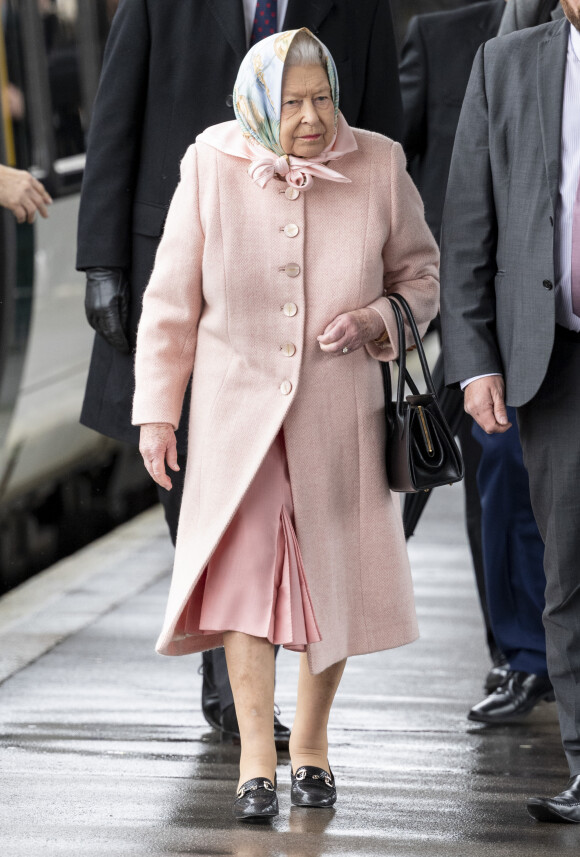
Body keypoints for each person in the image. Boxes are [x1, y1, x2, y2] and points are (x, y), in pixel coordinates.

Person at [76, 0, 404, 747]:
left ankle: (253, 677)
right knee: (190, 472)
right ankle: (230, 667)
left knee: (303, 495)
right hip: (191, 262)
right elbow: (115, 112)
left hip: (316, 276)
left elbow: (385, 124)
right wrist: (99, 259)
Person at [132, 28, 439, 821]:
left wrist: (377, 319)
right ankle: (255, 759)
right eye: (293, 101)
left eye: (322, 97)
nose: (311, 116)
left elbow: (421, 276)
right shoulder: (209, 162)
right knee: (245, 578)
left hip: (340, 413)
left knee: (330, 573)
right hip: (238, 416)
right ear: (259, 103)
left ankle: (310, 743)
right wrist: (158, 412)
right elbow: (171, 304)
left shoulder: (380, 163)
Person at [440, 1, 580, 822]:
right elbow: (468, 228)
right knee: (567, 571)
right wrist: (477, 360)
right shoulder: (506, 65)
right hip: (554, 356)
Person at [401, 0, 551, 724]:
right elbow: (398, 167)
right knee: (501, 485)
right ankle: (520, 657)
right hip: (491, 317)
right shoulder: (442, 40)